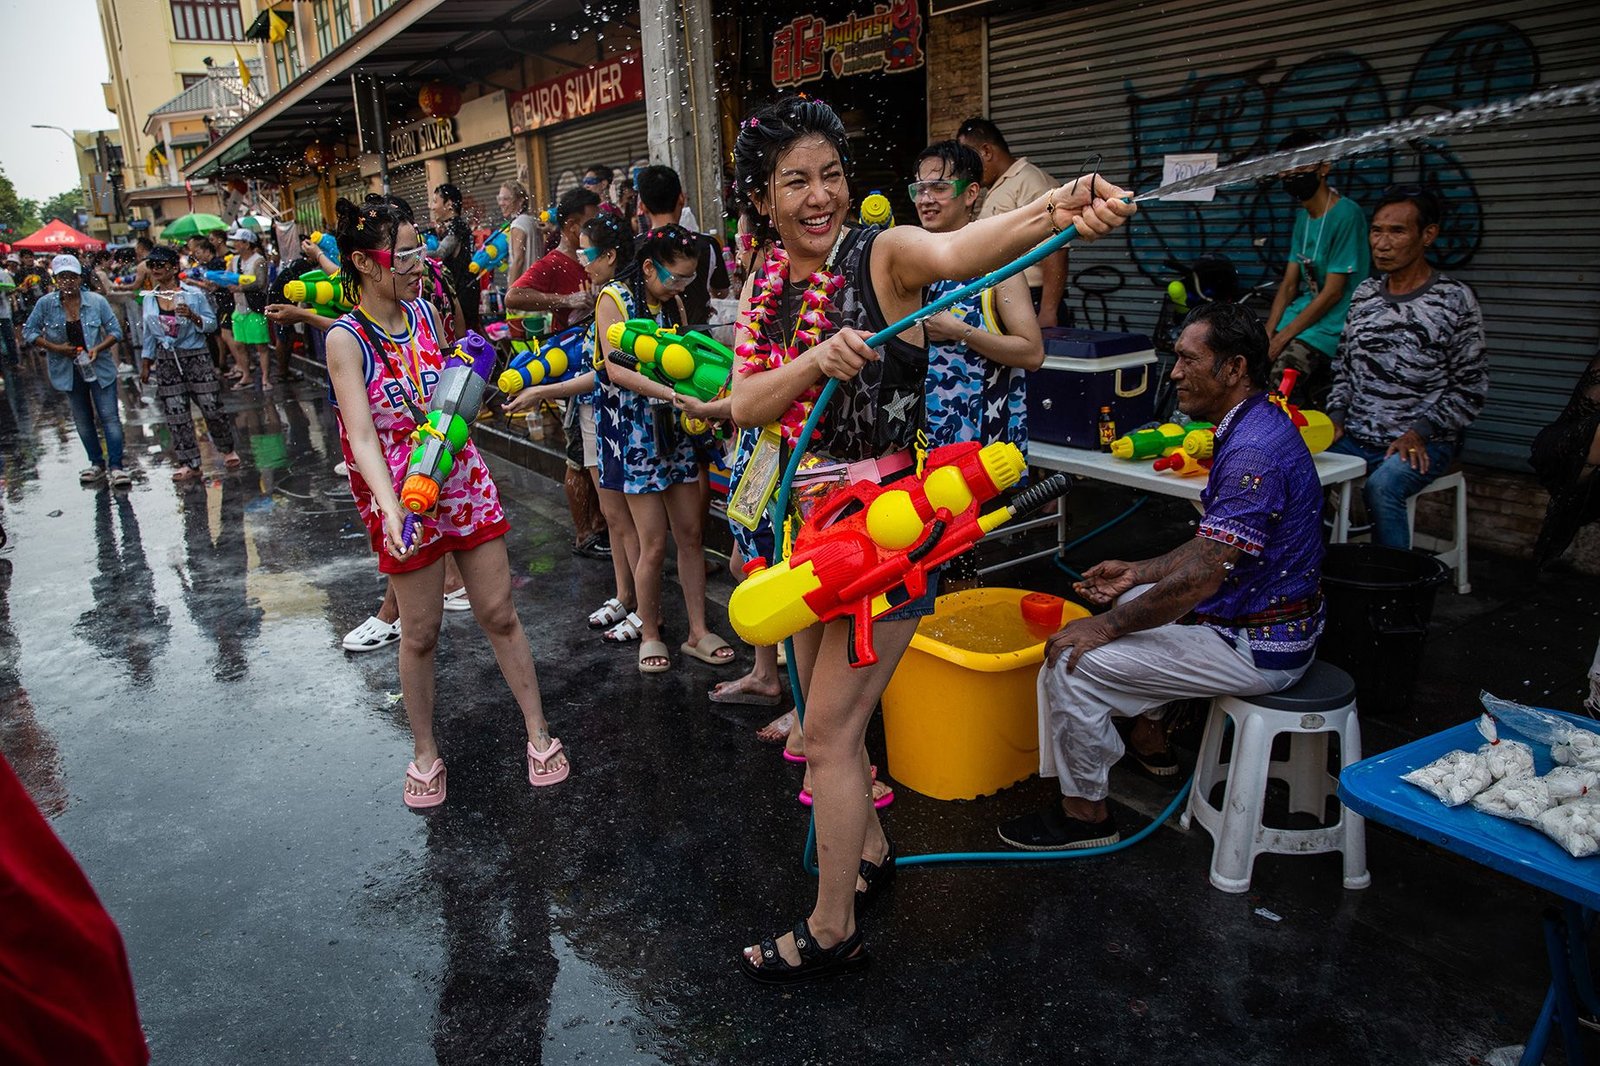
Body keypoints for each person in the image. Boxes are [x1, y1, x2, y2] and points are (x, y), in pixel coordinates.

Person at [728, 95, 1133, 981]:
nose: (819, 196)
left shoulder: (881, 255)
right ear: (762, 199)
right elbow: (746, 403)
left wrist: (1057, 208)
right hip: (809, 536)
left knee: (828, 738)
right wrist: (814, 358)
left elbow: (961, 250)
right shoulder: (766, 283)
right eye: (794, 181)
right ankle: (869, 852)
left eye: (831, 175)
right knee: (828, 731)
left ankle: (832, 929)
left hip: (889, 537)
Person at [1001, 302, 1323, 851]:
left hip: (1261, 645)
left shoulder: (1253, 450)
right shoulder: (1256, 422)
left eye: (1188, 360)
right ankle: (1150, 738)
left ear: (1234, 368)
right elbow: (1216, 548)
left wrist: (1105, 628)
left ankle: (1085, 817)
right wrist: (1138, 572)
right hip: (1263, 620)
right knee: (1140, 598)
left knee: (1070, 661)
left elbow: (1204, 575)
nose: (1173, 374)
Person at [323, 195, 568, 805]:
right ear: (365, 261)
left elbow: (453, 394)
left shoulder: (428, 315)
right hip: (404, 502)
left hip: (462, 485)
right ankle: (425, 751)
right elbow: (361, 435)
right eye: (404, 253)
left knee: (500, 613)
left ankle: (538, 732)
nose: (419, 263)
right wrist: (391, 508)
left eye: (420, 250)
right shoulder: (346, 340)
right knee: (421, 633)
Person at [595, 223, 736, 673]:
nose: (682, 286)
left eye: (689, 278)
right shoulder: (614, 299)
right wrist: (671, 394)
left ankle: (697, 631)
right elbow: (616, 371)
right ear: (649, 267)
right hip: (635, 435)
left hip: (675, 431)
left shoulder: (670, 302)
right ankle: (650, 632)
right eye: (676, 276)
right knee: (652, 544)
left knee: (691, 535)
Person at [504, 214, 644, 644]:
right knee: (615, 518)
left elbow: (605, 375)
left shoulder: (617, 299)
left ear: (610, 256)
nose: (582, 262)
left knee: (631, 522)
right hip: (594, 415)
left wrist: (543, 389)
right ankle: (625, 595)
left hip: (616, 420)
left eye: (587, 253)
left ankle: (644, 606)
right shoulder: (605, 295)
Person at [1325, 186, 1488, 549]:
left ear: (1427, 235)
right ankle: (1304, 573)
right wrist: (1336, 416)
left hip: (1423, 442)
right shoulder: (1365, 294)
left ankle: (1393, 581)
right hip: (1355, 437)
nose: (1382, 244)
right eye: (1376, 231)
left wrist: (1420, 432)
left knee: (1383, 488)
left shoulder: (1454, 299)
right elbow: (1343, 368)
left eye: (1397, 232)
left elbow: (1470, 387)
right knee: (1296, 472)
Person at [1262, 130, 1370, 406]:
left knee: (1280, 378)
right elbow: (1289, 284)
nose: (1292, 173)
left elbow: (1334, 293)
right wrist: (1268, 333)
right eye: (1286, 167)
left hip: (1335, 322)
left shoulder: (1346, 215)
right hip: (1304, 315)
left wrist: (1281, 339)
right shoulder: (1303, 218)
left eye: (1301, 164)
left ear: (1324, 166)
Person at [22, 255, 129, 487]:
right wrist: (55, 348)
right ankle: (96, 463)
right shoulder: (46, 304)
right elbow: (29, 332)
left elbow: (115, 331)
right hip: (68, 370)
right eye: (63, 277)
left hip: (99, 368)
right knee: (82, 419)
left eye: (72, 276)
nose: (68, 281)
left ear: (80, 278)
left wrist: (98, 348)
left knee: (109, 416)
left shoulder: (96, 302)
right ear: (56, 279)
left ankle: (117, 466)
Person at [138, 245, 241, 481]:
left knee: (211, 406)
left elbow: (211, 324)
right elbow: (148, 333)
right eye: (151, 265)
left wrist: (193, 316)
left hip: (195, 355)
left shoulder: (193, 294)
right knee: (176, 413)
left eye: (160, 265)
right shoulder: (150, 298)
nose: (155, 269)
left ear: (174, 268)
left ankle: (227, 449)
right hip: (166, 359)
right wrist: (146, 362)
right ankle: (189, 463)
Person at [956, 117, 1069, 329]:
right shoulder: (997, 186)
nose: (969, 169)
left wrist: (1047, 311)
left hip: (1032, 300)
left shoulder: (1030, 181)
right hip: (1006, 300)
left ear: (986, 151)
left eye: (971, 159)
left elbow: (1055, 249)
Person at [634, 164, 730, 328]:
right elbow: (721, 292)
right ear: (681, 198)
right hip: (697, 338)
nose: (680, 288)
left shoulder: (634, 248)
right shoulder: (707, 244)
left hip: (649, 339)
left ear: (642, 206)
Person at [428, 183, 480, 335]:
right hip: (464, 290)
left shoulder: (457, 227)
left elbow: (440, 253)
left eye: (435, 201)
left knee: (465, 337)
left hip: (463, 293)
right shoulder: (453, 226)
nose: (432, 207)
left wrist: (415, 252)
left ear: (449, 204)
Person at [225, 228, 271, 390]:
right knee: (239, 344)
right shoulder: (234, 260)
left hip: (254, 308)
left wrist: (240, 288)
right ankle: (246, 375)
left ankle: (265, 378)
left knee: (261, 346)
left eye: (238, 241)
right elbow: (227, 276)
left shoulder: (259, 261)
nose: (235, 244)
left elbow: (261, 283)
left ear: (247, 244)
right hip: (239, 308)